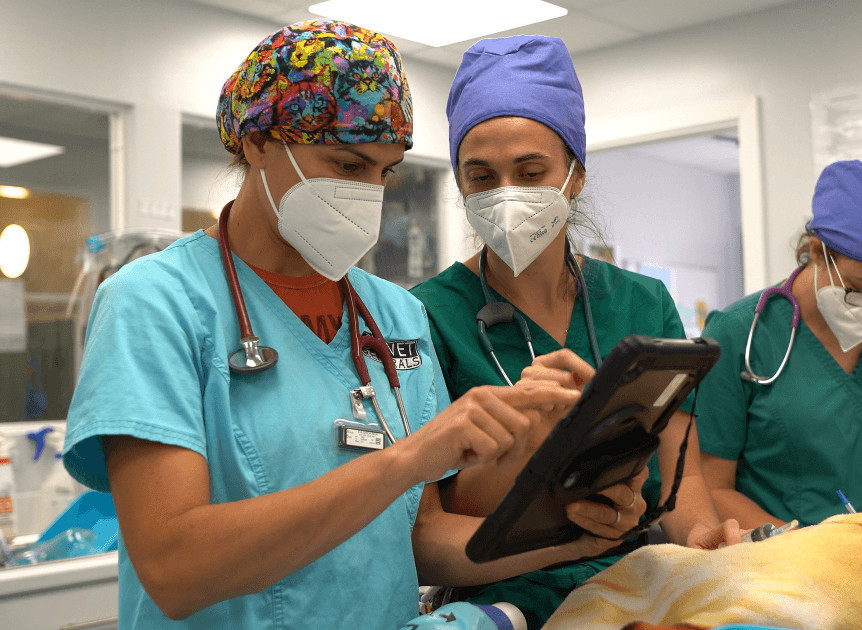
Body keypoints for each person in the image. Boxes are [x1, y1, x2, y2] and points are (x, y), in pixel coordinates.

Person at [61, 21, 648, 630]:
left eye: (386, 172)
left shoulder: (394, 315)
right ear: (258, 140)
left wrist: (573, 538)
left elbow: (419, 541)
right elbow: (175, 569)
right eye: (347, 163)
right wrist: (408, 458)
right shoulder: (154, 305)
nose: (369, 191)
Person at [410, 35, 740, 630]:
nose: (505, 193)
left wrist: (703, 539)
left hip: (639, 589)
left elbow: (681, 474)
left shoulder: (642, 302)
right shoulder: (424, 316)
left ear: (576, 175)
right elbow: (427, 530)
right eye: (480, 176)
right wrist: (528, 441)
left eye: (531, 171)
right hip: (501, 603)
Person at [695, 160, 862, 529]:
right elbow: (712, 488)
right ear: (817, 251)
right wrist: (809, 548)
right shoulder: (738, 332)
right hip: (771, 564)